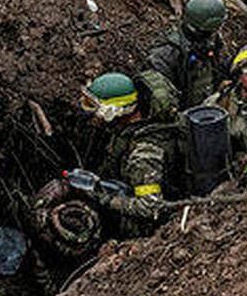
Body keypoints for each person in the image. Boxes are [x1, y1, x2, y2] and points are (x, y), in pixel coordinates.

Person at [78, 70, 185, 236]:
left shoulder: (143, 155)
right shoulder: (127, 128)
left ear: (114, 111)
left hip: (144, 230)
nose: (91, 113)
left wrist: (105, 200)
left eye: (94, 106)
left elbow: (150, 207)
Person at [144, 0, 228, 109]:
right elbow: (160, 98)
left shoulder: (212, 43)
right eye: (214, 29)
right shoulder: (167, 54)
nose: (216, 33)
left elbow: (221, 69)